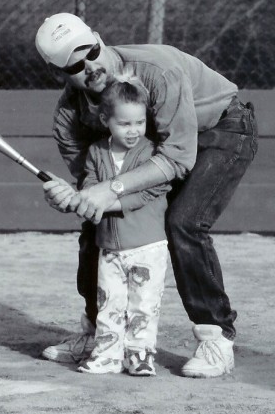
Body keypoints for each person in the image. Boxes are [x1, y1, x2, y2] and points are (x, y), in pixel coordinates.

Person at [35, 13, 258, 378]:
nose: (90, 65)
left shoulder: (158, 70)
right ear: (59, 72)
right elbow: (95, 187)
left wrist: (112, 189)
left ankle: (216, 336)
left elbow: (178, 157)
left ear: (98, 36)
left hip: (220, 129)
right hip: (159, 151)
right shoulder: (69, 117)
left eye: (90, 51)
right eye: (75, 64)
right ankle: (98, 333)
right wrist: (75, 198)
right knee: (100, 223)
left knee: (184, 222)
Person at [75, 75, 171, 376]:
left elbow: (152, 190)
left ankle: (139, 355)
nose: (133, 131)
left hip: (147, 246)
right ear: (106, 120)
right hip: (110, 247)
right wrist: (78, 198)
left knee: (144, 305)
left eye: (139, 123)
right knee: (109, 303)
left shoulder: (152, 153)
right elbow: (91, 190)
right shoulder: (96, 153)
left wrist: (110, 202)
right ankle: (107, 354)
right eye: (124, 124)